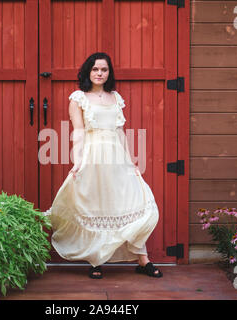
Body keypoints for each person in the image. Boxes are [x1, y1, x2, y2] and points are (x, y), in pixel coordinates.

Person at [44, 52, 162, 279]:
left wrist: (131, 162)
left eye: (104, 70)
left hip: (117, 157)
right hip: (93, 156)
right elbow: (78, 131)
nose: (100, 73)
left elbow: (120, 131)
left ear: (109, 73)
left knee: (133, 202)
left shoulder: (115, 98)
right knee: (96, 205)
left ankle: (143, 260)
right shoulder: (78, 98)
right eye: (95, 69)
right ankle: (96, 260)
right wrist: (78, 161)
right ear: (88, 71)